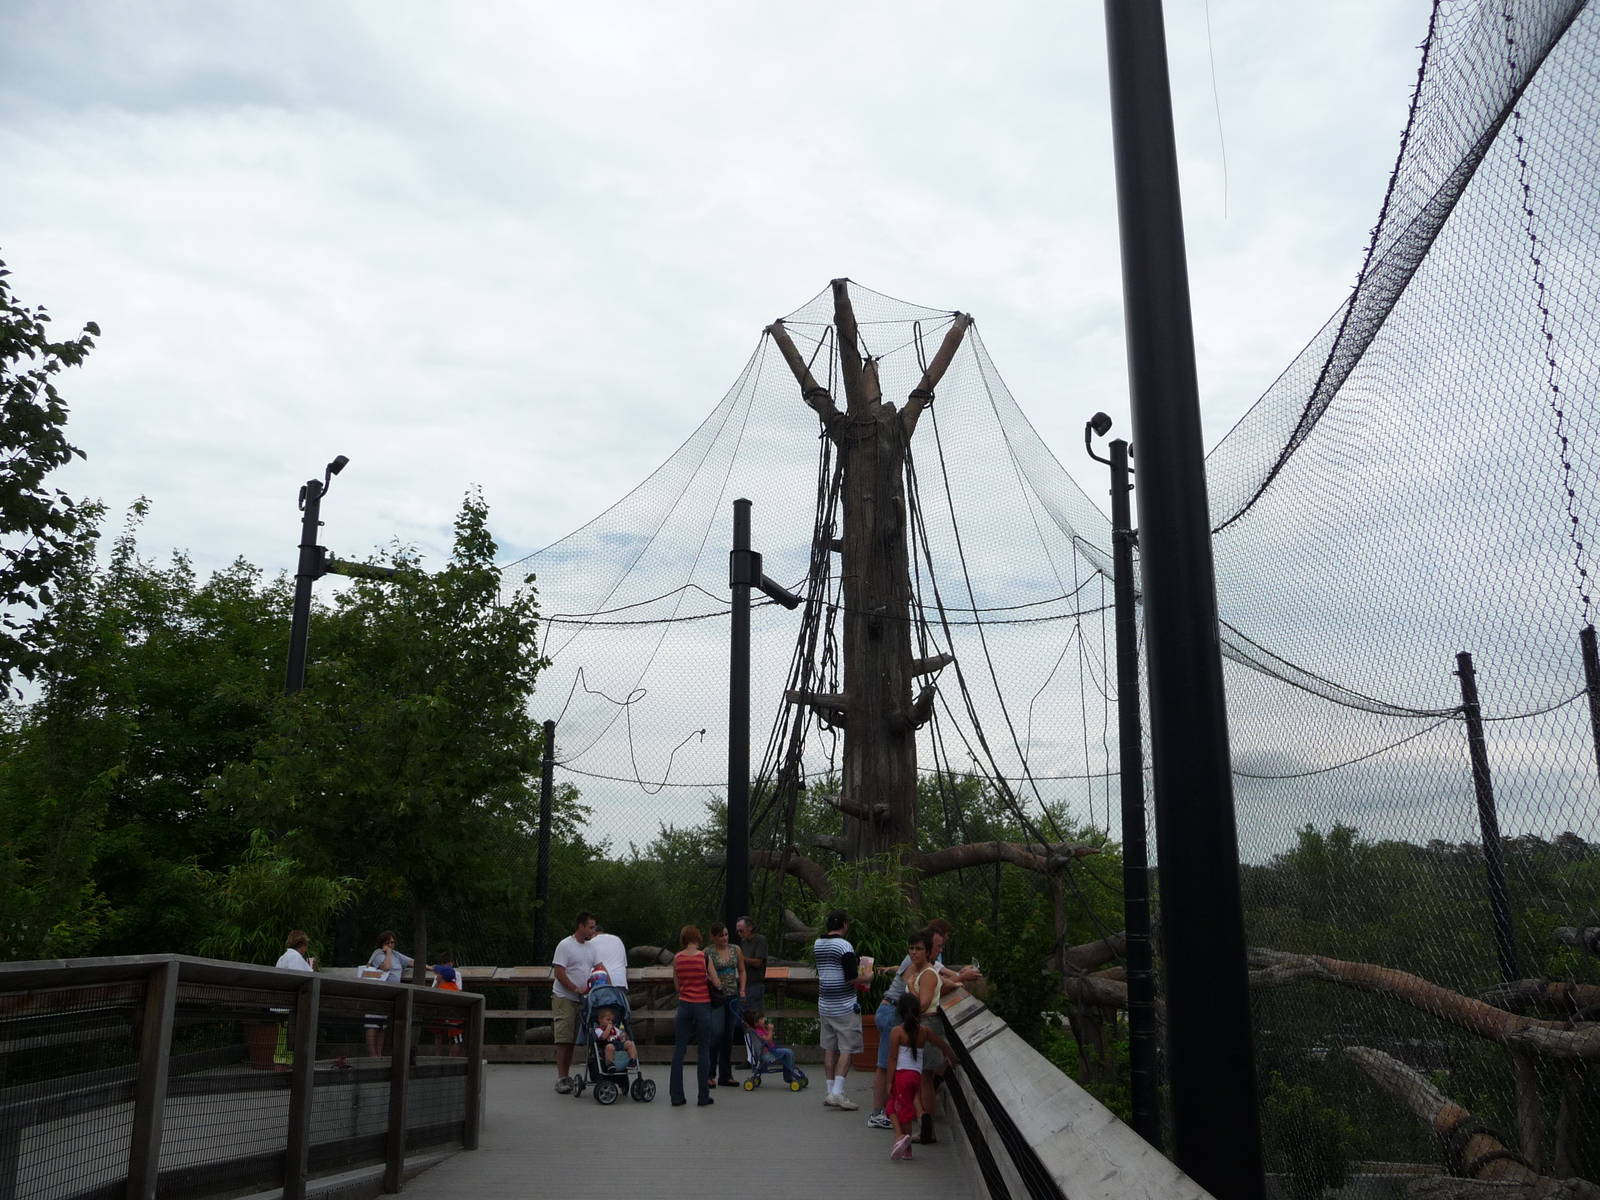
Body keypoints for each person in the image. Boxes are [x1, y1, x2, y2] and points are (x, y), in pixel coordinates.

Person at [867, 929, 941, 1129]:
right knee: (884, 1065)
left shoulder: (923, 966)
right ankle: (877, 1113)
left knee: (895, 1066)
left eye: (919, 948)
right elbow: (922, 1001)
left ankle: (893, 1110)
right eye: (913, 948)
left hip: (893, 1011)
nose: (915, 952)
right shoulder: (913, 964)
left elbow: (939, 978)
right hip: (892, 1011)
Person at [918, 917, 980, 1143]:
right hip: (926, 1022)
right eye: (939, 946)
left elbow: (943, 979)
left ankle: (922, 1120)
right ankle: (926, 1122)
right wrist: (957, 980)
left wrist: (957, 978)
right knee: (925, 1075)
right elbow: (931, 994)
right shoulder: (924, 970)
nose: (941, 949)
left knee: (923, 1073)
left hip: (919, 1023)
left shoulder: (925, 967)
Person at [885, 992, 952, 1161]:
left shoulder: (897, 1032)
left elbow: (892, 1058)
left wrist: (888, 1081)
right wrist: (952, 1057)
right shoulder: (925, 1031)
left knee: (903, 1110)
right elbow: (942, 1044)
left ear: (900, 1012)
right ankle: (904, 1142)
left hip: (902, 1075)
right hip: (916, 1075)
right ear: (918, 1011)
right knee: (893, 1106)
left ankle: (902, 1139)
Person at [813, 909, 862, 1110]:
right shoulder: (845, 945)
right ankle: (838, 1092)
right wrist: (868, 977)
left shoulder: (818, 944)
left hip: (825, 1004)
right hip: (844, 1005)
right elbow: (852, 976)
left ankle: (830, 1090)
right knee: (846, 1048)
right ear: (844, 925)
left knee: (829, 1048)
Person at [670, 924, 720, 1107]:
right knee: (704, 1050)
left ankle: (676, 1096)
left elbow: (676, 986)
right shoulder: (703, 957)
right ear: (697, 937)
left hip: (684, 1006)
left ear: (683, 939)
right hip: (702, 1005)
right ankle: (703, 1096)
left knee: (679, 1050)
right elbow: (716, 982)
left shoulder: (677, 958)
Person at [551, 911, 598, 1092]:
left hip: (583, 998)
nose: (593, 931)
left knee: (572, 1039)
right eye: (590, 927)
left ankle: (567, 1075)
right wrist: (574, 988)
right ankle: (562, 1077)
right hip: (565, 997)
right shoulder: (565, 945)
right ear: (581, 926)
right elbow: (559, 972)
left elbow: (597, 965)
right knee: (563, 1038)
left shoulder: (591, 947)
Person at [706, 923, 746, 1087]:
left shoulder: (735, 949)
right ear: (714, 937)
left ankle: (725, 1075)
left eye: (726, 934)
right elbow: (703, 971)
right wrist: (712, 981)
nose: (724, 938)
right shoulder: (707, 952)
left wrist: (742, 989)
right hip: (716, 997)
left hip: (732, 996)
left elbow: (742, 970)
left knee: (728, 1036)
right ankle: (709, 1074)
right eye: (721, 935)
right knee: (716, 1034)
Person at [365, 931, 413, 1057]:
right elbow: (386, 967)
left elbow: (411, 962)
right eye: (388, 943)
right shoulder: (378, 954)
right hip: (377, 993)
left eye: (392, 942)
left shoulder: (397, 955)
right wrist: (388, 952)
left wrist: (433, 968)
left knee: (382, 1025)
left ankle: (379, 1054)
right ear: (382, 944)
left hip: (389, 995)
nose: (391, 945)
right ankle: (372, 1055)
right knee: (372, 1023)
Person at [745, 1010, 802, 1085]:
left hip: (772, 1051)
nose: (764, 1020)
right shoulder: (758, 1031)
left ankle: (788, 1076)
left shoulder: (761, 1029)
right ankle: (789, 1076)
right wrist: (770, 1030)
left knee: (788, 1054)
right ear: (756, 1023)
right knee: (789, 1053)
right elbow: (768, 1040)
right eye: (761, 1019)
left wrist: (768, 1030)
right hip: (767, 1054)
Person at [430, 950, 465, 1056]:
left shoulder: (453, 976)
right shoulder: (442, 979)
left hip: (450, 1011)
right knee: (441, 1032)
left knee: (454, 1036)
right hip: (443, 1011)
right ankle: (439, 1057)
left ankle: (451, 1058)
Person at [735, 915, 767, 1018]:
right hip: (743, 985)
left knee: (754, 1018)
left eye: (741, 931)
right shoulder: (743, 942)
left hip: (755, 985)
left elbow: (758, 962)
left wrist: (741, 958)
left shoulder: (760, 940)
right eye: (738, 931)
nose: (739, 934)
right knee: (742, 1018)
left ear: (750, 928)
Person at [589, 925, 629, 991]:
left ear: (593, 933)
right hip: (620, 982)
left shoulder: (590, 943)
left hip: (600, 983)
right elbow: (624, 964)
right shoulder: (617, 939)